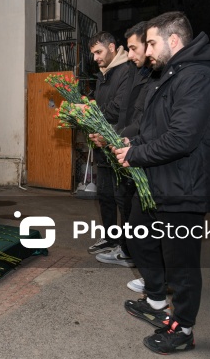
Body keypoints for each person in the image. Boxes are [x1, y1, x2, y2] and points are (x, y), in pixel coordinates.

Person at [113, 11, 210, 355]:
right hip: (164, 182)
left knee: (181, 261)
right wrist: (136, 143)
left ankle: (185, 329)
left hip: (186, 187)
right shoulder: (173, 75)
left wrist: (136, 155)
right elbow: (159, 128)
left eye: (151, 42)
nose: (147, 51)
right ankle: (155, 300)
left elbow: (182, 138)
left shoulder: (197, 78)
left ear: (173, 40)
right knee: (139, 233)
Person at [92, 21, 155, 269]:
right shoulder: (109, 74)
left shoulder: (130, 72)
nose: (132, 55)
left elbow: (127, 111)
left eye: (135, 47)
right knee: (108, 195)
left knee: (126, 200)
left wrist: (116, 135)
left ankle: (131, 253)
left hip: (128, 144)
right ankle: (116, 241)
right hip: (116, 141)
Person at [86, 31, 130, 255]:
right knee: (104, 194)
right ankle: (110, 238)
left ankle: (127, 245)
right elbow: (101, 104)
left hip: (119, 143)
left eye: (98, 52)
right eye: (93, 53)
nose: (95, 58)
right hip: (102, 145)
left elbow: (119, 107)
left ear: (112, 47)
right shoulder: (102, 75)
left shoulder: (126, 71)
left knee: (122, 196)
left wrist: (93, 115)